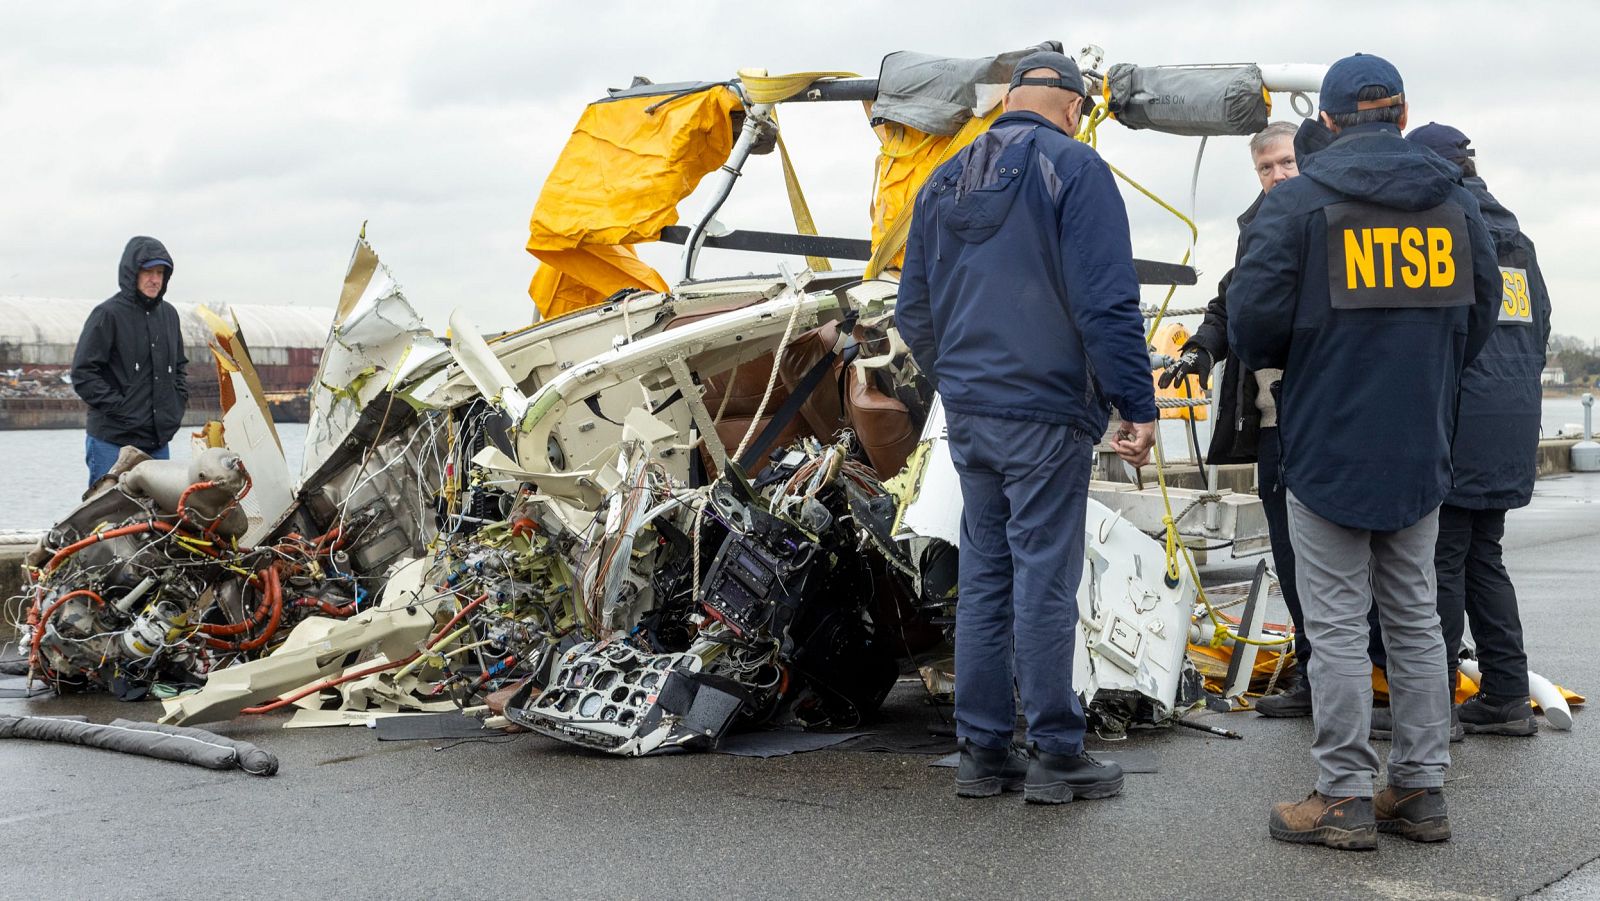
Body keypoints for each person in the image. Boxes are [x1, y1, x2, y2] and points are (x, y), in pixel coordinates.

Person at [1228, 53, 1500, 850]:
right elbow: (1475, 318)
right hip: (1421, 439)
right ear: (1404, 116)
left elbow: (1251, 324)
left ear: (1332, 123)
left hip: (1326, 439)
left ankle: (1343, 794)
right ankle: (1420, 788)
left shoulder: (1301, 205)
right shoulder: (1456, 203)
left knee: (1339, 622)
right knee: (1416, 619)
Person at [896, 50, 1157, 805]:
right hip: (1047, 414)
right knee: (1045, 575)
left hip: (972, 419)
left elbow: (913, 308)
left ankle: (982, 751)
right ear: (1073, 107)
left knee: (984, 577)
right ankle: (1055, 750)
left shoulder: (941, 180)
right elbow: (1107, 304)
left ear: (1010, 100)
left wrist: (960, 382)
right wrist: (1134, 403)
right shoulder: (1077, 170)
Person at [1368, 123, 1552, 739]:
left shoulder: (1448, 226)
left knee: (1441, 562)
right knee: (1484, 559)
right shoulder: (1518, 240)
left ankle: (1434, 704)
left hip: (1463, 411)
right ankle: (1503, 693)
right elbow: (1539, 329)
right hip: (1514, 416)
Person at [1161, 119, 1321, 718]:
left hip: (1325, 417)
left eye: (1286, 163)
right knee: (1289, 552)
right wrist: (1202, 347)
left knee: (1343, 557)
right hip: (1274, 421)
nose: (1278, 176)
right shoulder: (1254, 232)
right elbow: (1230, 302)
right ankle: (1313, 672)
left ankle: (1363, 674)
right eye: (1266, 168)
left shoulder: (1325, 218)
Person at [72, 237, 188, 487]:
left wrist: (175, 408)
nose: (154, 279)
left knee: (158, 519)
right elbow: (83, 374)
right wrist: (122, 409)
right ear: (132, 273)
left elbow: (179, 368)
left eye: (160, 273)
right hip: (111, 441)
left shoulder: (169, 315)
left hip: (157, 442)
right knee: (107, 514)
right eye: (148, 271)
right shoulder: (107, 315)